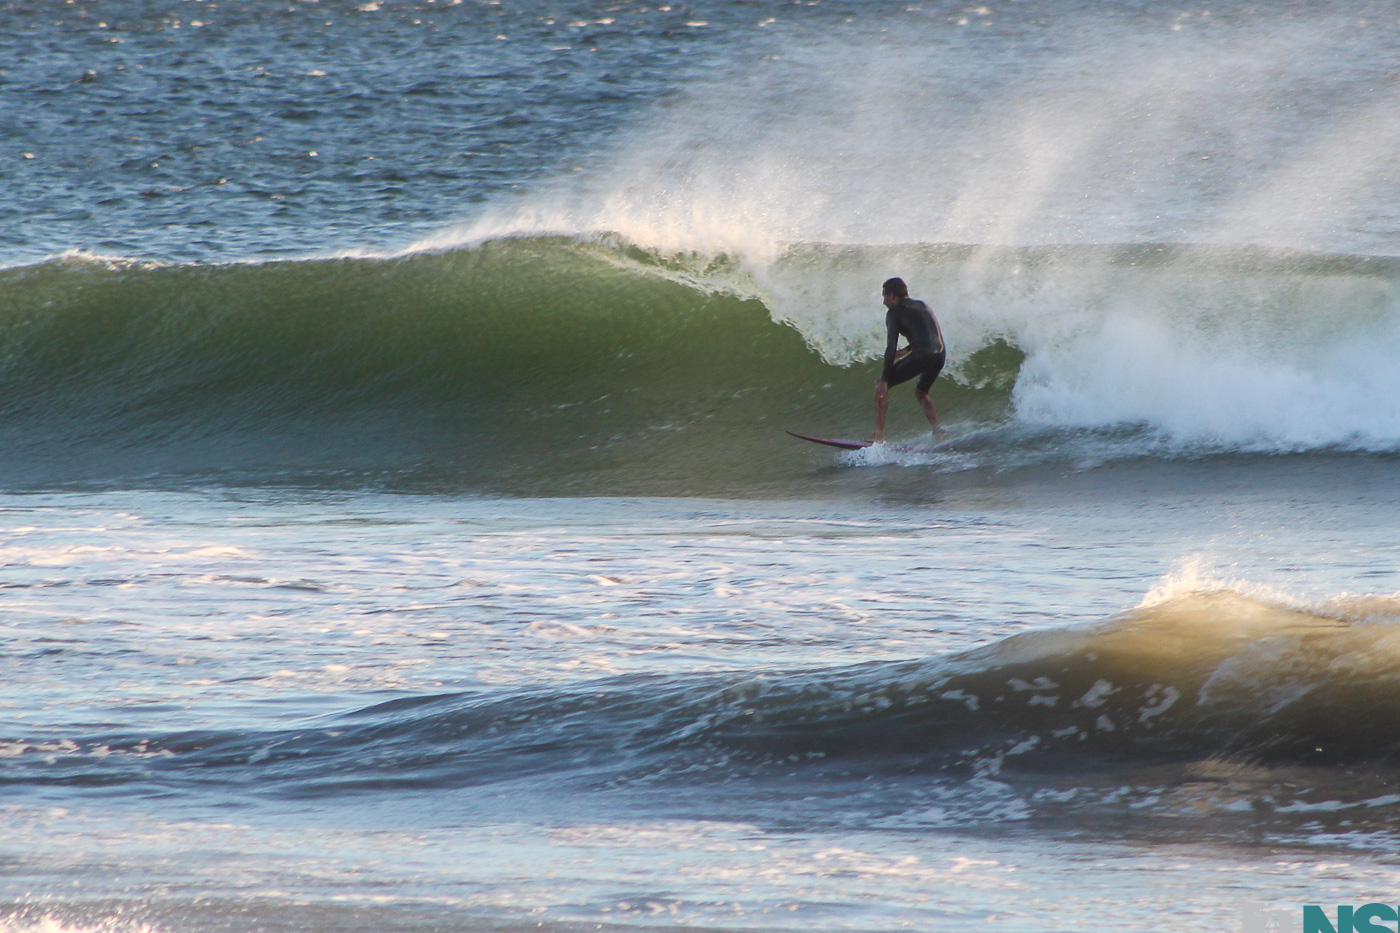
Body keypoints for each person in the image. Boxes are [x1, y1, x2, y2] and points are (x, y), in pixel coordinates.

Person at [866, 277, 945, 443]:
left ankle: (878, 435)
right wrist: (907, 350)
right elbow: (928, 333)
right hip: (940, 353)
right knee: (921, 391)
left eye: (885, 296)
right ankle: (939, 432)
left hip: (923, 354)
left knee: (880, 385)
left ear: (893, 296)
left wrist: (885, 379)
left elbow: (890, 347)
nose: (884, 302)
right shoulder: (922, 305)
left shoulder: (893, 313)